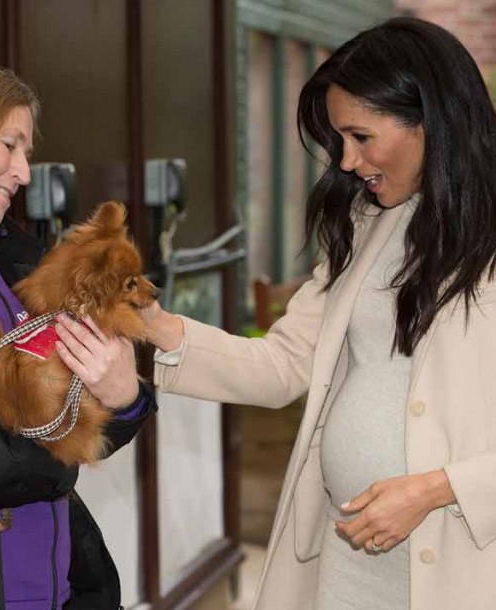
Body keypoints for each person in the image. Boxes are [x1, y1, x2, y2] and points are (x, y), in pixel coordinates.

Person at [142, 16, 496, 610]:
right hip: (344, 561)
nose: (348, 161)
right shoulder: (362, 224)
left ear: (432, 120)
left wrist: (438, 490)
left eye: (361, 137)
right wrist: (155, 330)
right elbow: (285, 363)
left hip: (462, 563)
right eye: (340, 142)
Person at [0, 67, 157, 609]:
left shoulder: (22, 260)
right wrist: (62, 455)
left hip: (52, 576)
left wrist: (126, 397)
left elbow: (83, 404)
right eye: (9, 144)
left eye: (26, 151)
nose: (22, 172)